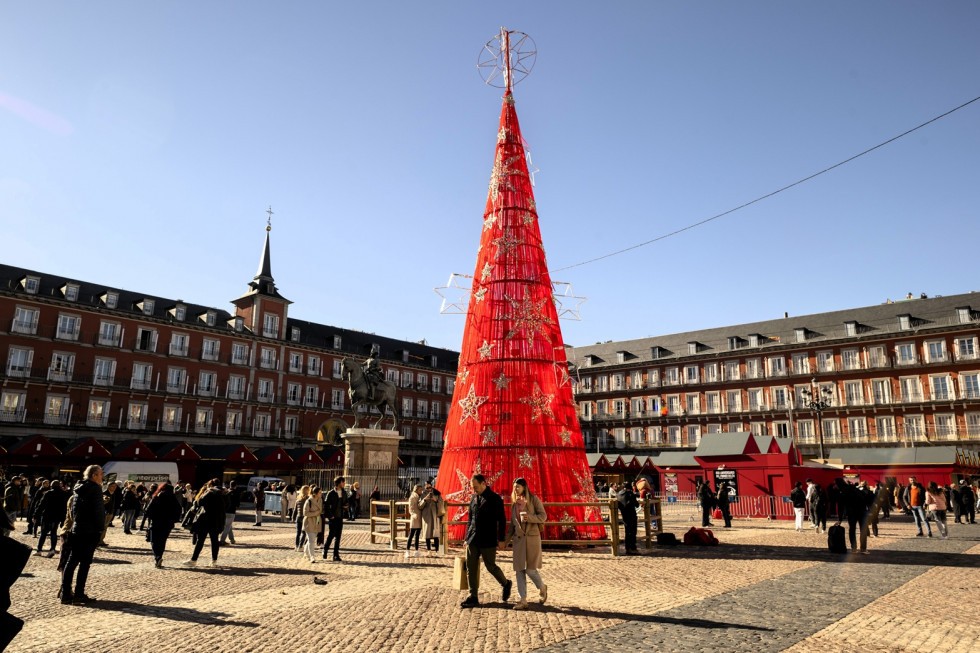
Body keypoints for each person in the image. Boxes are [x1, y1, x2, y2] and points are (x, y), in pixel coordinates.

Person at [460, 474, 511, 608]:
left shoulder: (495, 499)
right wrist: (467, 538)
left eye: (476, 487)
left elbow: (502, 519)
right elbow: (470, 519)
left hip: (488, 539)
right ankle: (473, 596)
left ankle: (506, 583)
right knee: (471, 567)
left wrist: (501, 539)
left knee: (490, 566)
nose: (474, 490)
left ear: (483, 483)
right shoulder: (473, 498)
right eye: (472, 488)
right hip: (473, 539)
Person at [61, 465, 106, 605]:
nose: (102, 477)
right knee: (85, 563)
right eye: (100, 474)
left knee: (71, 561)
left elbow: (73, 511)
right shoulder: (95, 489)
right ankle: (79, 594)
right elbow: (99, 512)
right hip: (90, 531)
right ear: (94, 476)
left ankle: (66, 594)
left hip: (77, 529)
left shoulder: (78, 489)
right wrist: (100, 529)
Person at [502, 478, 548, 610]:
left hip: (532, 539)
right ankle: (523, 600)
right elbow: (512, 525)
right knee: (519, 570)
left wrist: (530, 517)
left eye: (518, 487)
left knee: (530, 569)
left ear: (524, 487)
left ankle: (542, 587)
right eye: (514, 487)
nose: (515, 489)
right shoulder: (514, 504)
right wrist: (505, 541)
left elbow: (543, 516)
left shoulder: (534, 500)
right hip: (518, 541)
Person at [184, 479, 226, 567]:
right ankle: (214, 561)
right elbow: (228, 505)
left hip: (206, 520)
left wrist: (205, 494)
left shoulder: (210, 491)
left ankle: (194, 559)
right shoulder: (223, 493)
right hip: (217, 520)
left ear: (210, 485)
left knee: (200, 540)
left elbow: (199, 502)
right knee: (214, 541)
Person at [145, 482, 182, 568]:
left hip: (156, 522)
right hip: (168, 523)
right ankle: (160, 556)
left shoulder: (157, 497)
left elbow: (148, 510)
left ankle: (157, 557)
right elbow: (179, 510)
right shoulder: (173, 499)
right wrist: (174, 520)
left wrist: (152, 517)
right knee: (162, 541)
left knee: (153, 540)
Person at [837, 479, 870, 553]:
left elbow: (841, 506)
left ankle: (854, 548)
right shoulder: (852, 488)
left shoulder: (842, 492)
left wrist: (840, 519)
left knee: (852, 529)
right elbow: (863, 498)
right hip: (862, 511)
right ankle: (863, 549)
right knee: (863, 530)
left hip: (852, 513)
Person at [322, 477, 348, 561]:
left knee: (338, 536)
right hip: (333, 517)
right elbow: (326, 505)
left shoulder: (344, 492)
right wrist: (330, 515)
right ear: (339, 483)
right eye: (343, 482)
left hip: (340, 516)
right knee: (331, 535)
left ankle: (335, 555)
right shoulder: (331, 493)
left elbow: (346, 502)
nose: (344, 484)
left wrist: (346, 506)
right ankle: (325, 549)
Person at [420, 484, 445, 554]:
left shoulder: (437, 494)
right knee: (427, 533)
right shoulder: (422, 495)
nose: (428, 489)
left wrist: (436, 499)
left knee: (436, 533)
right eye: (427, 488)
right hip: (426, 517)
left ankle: (437, 550)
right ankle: (429, 550)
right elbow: (419, 506)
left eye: (430, 487)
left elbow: (441, 503)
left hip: (435, 516)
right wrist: (425, 500)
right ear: (424, 488)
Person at [615, 482, 639, 553]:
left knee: (627, 531)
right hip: (631, 515)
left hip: (624, 515)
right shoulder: (630, 494)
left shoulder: (618, 494)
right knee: (632, 532)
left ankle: (627, 548)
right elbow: (637, 505)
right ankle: (633, 548)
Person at [302, 487, 323, 563]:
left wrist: (319, 512)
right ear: (315, 494)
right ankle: (312, 556)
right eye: (320, 492)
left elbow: (320, 510)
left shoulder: (320, 500)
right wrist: (315, 513)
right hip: (309, 522)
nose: (321, 494)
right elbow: (305, 513)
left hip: (317, 522)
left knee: (311, 539)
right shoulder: (309, 501)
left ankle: (306, 553)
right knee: (311, 540)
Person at [406, 484, 423, 558]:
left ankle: (416, 551)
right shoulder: (412, 497)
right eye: (420, 490)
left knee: (417, 536)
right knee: (411, 535)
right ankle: (407, 551)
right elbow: (410, 509)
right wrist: (413, 514)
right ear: (416, 490)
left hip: (419, 518)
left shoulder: (420, 497)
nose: (421, 491)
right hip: (415, 517)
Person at [294, 485, 311, 551]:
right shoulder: (308, 499)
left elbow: (295, 509)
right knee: (304, 532)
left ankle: (296, 545)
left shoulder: (298, 499)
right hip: (304, 517)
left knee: (298, 533)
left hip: (298, 516)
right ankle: (301, 546)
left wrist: (293, 517)